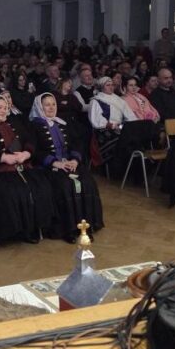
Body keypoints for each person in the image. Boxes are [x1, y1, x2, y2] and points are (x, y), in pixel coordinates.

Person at [0, 94, 55, 247]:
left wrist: (26, 153)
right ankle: (15, 231)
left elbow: (29, 140)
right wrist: (3, 158)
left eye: (5, 107)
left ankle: (35, 227)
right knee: (13, 191)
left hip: (21, 166)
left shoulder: (14, 122)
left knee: (41, 186)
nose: (3, 111)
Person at [29, 93, 103, 242]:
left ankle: (85, 227)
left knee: (87, 182)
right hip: (48, 167)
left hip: (69, 163)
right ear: (40, 107)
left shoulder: (63, 122)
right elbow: (35, 151)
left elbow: (76, 144)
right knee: (64, 185)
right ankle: (68, 229)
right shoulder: (33, 126)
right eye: (47, 105)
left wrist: (75, 160)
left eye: (53, 104)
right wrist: (55, 163)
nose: (51, 108)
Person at [89, 77, 157, 169]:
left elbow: (130, 116)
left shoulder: (118, 100)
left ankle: (137, 164)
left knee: (144, 126)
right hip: (104, 130)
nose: (111, 87)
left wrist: (134, 126)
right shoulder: (96, 101)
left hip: (121, 127)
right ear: (101, 87)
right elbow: (96, 120)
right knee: (129, 138)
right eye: (108, 85)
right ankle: (123, 165)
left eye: (112, 85)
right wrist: (111, 125)